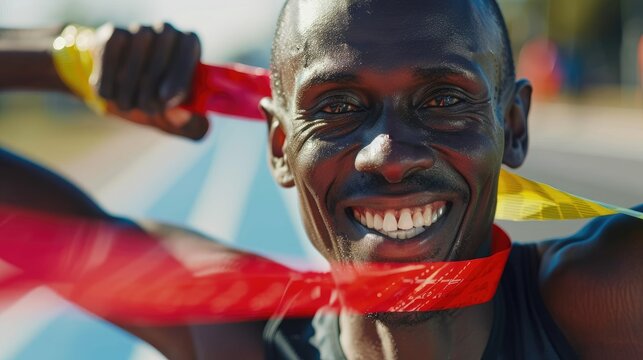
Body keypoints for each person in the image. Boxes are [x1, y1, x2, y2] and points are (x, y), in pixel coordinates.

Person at [1, 0, 642, 359]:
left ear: (514, 125)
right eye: (337, 107)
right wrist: (67, 59)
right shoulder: (248, 341)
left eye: (444, 99)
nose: (389, 157)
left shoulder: (608, 302)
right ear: (281, 146)